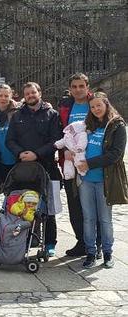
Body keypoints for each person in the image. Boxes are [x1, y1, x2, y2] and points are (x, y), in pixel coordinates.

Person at [7, 82, 62, 256]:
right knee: (25, 205)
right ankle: (27, 239)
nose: (31, 95)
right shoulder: (17, 116)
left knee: (49, 208)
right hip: (24, 169)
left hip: (47, 167)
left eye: (33, 92)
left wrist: (37, 154)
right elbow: (10, 140)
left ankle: (50, 242)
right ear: (24, 96)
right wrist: (21, 153)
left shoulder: (52, 114)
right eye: (27, 93)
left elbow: (56, 140)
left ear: (39, 93)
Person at [76, 92, 127, 268]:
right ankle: (91, 252)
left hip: (105, 180)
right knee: (88, 218)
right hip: (86, 180)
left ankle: (107, 252)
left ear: (106, 104)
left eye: (99, 105)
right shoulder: (87, 125)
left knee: (105, 218)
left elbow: (115, 155)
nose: (96, 109)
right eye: (92, 107)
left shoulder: (117, 125)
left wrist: (89, 163)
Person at [58, 73, 95, 257]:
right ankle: (81, 241)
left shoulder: (96, 103)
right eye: (74, 86)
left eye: (81, 86)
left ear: (87, 87)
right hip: (69, 162)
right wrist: (64, 150)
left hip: (92, 162)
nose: (78, 89)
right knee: (74, 204)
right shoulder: (65, 106)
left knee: (93, 205)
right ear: (70, 89)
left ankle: (95, 244)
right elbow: (61, 131)